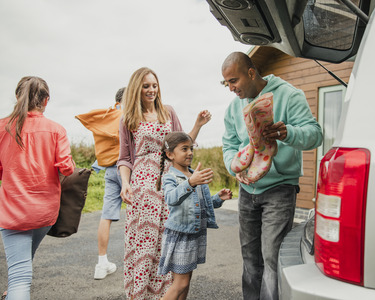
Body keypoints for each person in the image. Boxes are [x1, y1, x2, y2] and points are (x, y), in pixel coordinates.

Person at [221, 52, 323, 300]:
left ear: (251, 73)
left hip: (279, 189)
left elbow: (315, 134)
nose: (231, 88)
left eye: (234, 81)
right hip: (247, 192)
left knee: (271, 259)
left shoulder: (289, 95)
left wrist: (287, 133)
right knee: (250, 260)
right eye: (226, 83)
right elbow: (229, 145)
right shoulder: (233, 107)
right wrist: (234, 166)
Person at [117, 67, 211, 300]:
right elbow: (125, 158)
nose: (151, 90)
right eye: (146, 86)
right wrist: (125, 184)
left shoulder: (168, 112)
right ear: (137, 89)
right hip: (143, 188)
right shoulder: (128, 119)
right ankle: (141, 294)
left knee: (172, 240)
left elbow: (182, 145)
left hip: (171, 183)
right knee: (146, 243)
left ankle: (169, 293)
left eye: (154, 85)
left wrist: (198, 125)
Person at [0, 76, 74, 300]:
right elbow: (66, 168)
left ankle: (15, 290)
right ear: (46, 100)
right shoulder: (56, 129)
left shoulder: (2, 127)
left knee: (20, 276)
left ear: (17, 96)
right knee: (23, 263)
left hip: (13, 211)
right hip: (45, 213)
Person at [156, 132, 232, 300]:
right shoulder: (170, 177)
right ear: (170, 154)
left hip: (194, 234)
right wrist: (190, 182)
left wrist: (218, 199)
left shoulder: (194, 174)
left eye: (191, 148)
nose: (190, 152)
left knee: (186, 281)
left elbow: (200, 204)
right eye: (184, 149)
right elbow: (171, 198)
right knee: (180, 283)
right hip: (181, 235)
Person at [75, 87, 126, 280]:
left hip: (109, 171)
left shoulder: (105, 118)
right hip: (127, 170)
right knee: (141, 213)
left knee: (106, 216)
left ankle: (101, 263)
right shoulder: (126, 116)